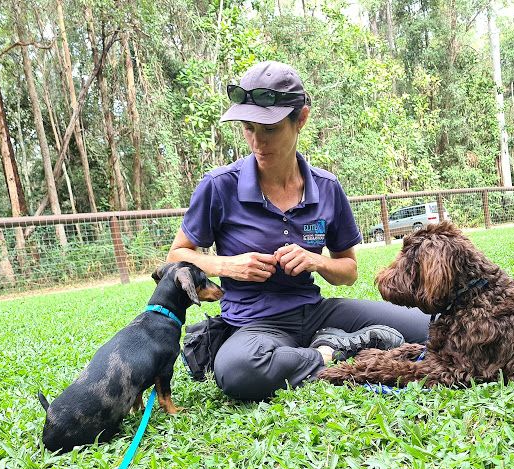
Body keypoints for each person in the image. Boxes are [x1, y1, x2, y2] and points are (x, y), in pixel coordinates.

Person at [167, 61, 429, 401]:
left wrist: (315, 262)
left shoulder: (327, 187)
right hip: (255, 325)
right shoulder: (219, 186)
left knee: (429, 327)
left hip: (317, 311)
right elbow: (176, 256)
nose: (257, 142)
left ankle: (333, 346)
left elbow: (347, 272)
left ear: (300, 119)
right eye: (248, 128)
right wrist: (226, 265)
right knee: (238, 371)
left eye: (270, 129)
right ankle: (336, 353)